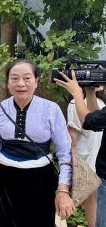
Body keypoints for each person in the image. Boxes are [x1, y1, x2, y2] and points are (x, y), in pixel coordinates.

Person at [0, 58, 75, 226]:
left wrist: (62, 190)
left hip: (40, 179)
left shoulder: (51, 110)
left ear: (36, 82)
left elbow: (65, 153)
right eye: (14, 78)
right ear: (8, 83)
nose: (20, 83)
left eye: (27, 78)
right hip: (6, 178)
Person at [54, 71, 106, 227]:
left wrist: (77, 93)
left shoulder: (76, 103)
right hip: (93, 165)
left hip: (92, 164)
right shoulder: (99, 104)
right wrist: (89, 94)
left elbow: (89, 122)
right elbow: (96, 120)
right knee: (92, 202)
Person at [66, 86, 105, 226]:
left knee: (91, 197)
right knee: (83, 197)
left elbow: (93, 120)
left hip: (96, 159)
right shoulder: (75, 104)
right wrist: (69, 163)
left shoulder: (101, 103)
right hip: (85, 159)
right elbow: (72, 136)